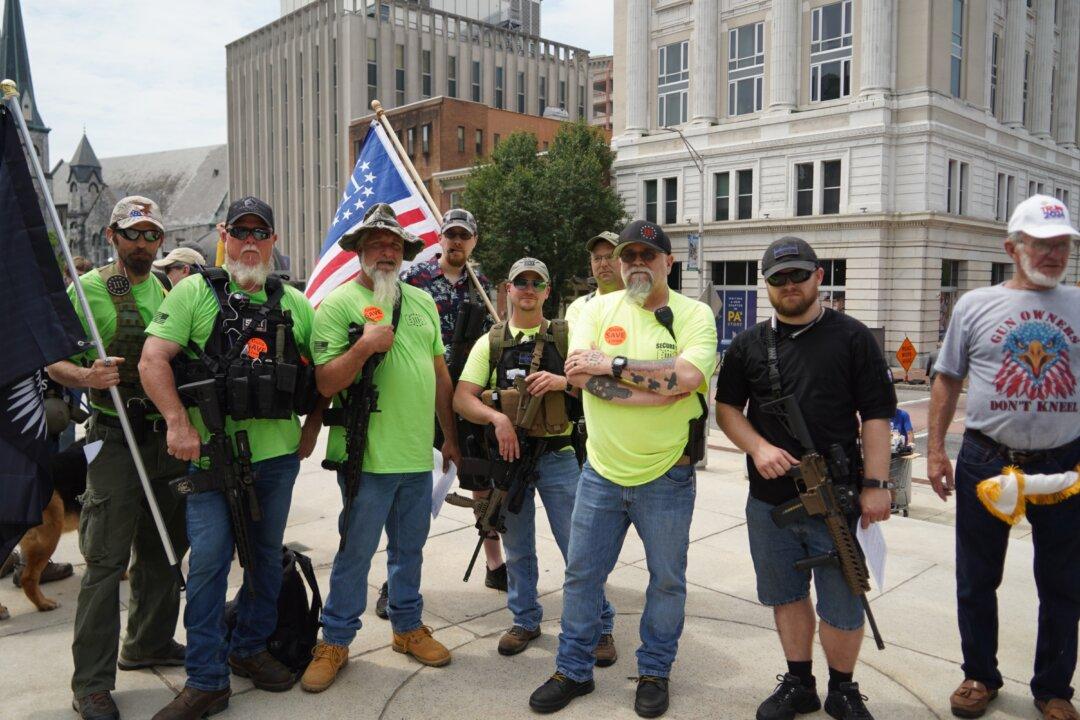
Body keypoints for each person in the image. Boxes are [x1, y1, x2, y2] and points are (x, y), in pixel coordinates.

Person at [140, 196, 322, 720]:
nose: (249, 241)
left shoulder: (294, 302)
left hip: (277, 459)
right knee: (210, 567)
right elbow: (153, 358)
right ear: (224, 235)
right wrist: (177, 422)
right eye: (239, 230)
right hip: (210, 461)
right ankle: (206, 679)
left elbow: (321, 373)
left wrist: (310, 427)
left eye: (259, 232)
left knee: (266, 560)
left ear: (272, 240)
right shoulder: (195, 291)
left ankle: (250, 648)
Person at [529, 220, 716, 718]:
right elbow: (576, 376)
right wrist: (657, 386)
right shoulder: (593, 308)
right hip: (601, 473)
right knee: (581, 577)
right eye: (628, 255)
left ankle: (654, 671)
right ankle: (573, 670)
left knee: (667, 581)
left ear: (667, 263)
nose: (636, 263)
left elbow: (690, 376)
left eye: (647, 256)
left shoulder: (695, 315)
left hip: (668, 477)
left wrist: (610, 366)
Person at [714, 236, 896, 720]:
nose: (789, 284)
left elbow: (877, 414)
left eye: (798, 274)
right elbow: (727, 408)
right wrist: (757, 447)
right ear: (766, 284)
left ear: (819, 275)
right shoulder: (749, 345)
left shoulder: (854, 338)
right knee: (786, 596)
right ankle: (799, 682)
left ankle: (843, 688)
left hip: (838, 496)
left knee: (844, 599)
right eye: (778, 277)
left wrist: (877, 485)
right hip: (771, 502)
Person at [926, 195, 1080, 720]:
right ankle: (979, 676)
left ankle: (1054, 688)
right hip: (987, 459)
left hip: (1065, 463)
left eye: (1062, 243)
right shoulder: (974, 305)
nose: (1054, 253)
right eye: (1041, 242)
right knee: (976, 577)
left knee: (1062, 581)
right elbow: (946, 379)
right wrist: (933, 453)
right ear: (1012, 247)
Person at [300, 203, 460, 693]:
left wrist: (450, 435)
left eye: (394, 244)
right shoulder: (339, 304)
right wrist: (365, 346)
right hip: (365, 458)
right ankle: (336, 640)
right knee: (355, 553)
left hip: (417, 456)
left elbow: (438, 374)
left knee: (409, 550)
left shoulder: (422, 302)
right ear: (360, 252)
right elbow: (325, 382)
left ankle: (407, 628)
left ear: (404, 252)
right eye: (377, 244)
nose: (387, 251)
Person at [44, 197, 189, 720]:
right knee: (105, 562)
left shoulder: (171, 288)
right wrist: (85, 376)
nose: (144, 244)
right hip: (114, 436)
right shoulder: (89, 290)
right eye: (134, 234)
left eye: (152, 235)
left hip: (164, 440)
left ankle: (148, 642)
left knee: (163, 549)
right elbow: (50, 355)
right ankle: (91, 684)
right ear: (112, 236)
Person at [454, 257, 617, 662]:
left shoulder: (568, 334)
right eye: (520, 282)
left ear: (547, 291)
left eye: (536, 283)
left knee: (578, 548)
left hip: (559, 455)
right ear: (508, 289)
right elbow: (462, 397)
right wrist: (496, 418)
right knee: (519, 547)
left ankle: (600, 624)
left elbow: (601, 387)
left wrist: (564, 382)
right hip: (511, 460)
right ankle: (525, 619)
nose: (528, 289)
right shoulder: (490, 341)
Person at [401, 207, 506, 597]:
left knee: (483, 482)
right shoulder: (414, 277)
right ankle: (401, 577)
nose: (457, 241)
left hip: (466, 394)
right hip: (422, 395)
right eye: (451, 235)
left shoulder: (480, 284)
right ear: (440, 238)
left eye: (464, 235)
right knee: (417, 488)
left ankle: (494, 564)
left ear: (473, 241)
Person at [564, 231, 625, 325]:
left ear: (625, 260)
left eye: (610, 256)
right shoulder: (578, 309)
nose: (603, 264)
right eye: (597, 258)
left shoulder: (643, 304)